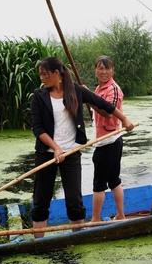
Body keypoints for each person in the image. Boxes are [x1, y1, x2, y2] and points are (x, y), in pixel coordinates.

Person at [31, 57, 134, 236]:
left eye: (45, 74)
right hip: (46, 153)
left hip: (71, 152)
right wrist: (55, 148)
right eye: (40, 74)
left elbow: (104, 105)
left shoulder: (75, 92)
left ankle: (77, 237)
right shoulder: (38, 97)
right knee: (41, 200)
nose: (42, 77)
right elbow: (38, 128)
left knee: (74, 201)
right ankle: (39, 241)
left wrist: (123, 119)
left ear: (57, 74)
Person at [90, 56, 128, 222]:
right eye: (100, 68)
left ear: (112, 70)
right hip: (102, 140)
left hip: (110, 140)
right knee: (113, 179)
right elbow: (96, 107)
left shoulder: (113, 89)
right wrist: (89, 95)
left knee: (101, 182)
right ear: (95, 70)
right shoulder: (99, 88)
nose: (103, 71)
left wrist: (88, 98)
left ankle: (96, 219)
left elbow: (107, 111)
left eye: (106, 68)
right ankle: (120, 215)